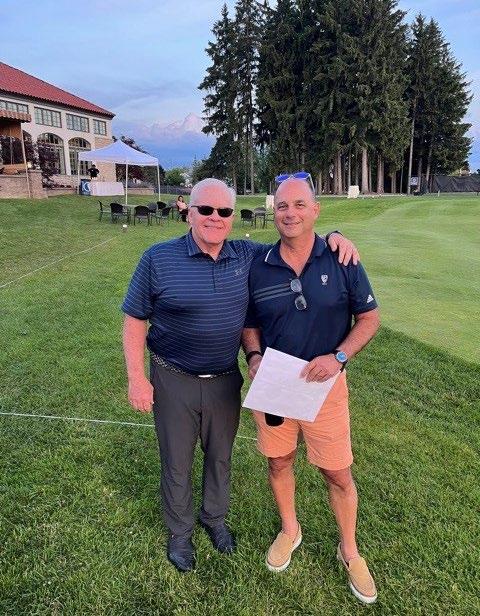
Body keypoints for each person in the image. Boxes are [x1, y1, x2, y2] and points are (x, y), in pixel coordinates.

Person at [121, 178, 359, 573]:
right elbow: (134, 319)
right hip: (173, 376)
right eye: (205, 209)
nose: (215, 218)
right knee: (177, 461)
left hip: (224, 378)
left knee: (220, 456)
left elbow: (296, 242)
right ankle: (180, 533)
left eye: (224, 211)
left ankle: (214, 519)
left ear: (233, 217)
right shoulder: (158, 259)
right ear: (189, 213)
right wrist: (136, 377)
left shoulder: (248, 255)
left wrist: (334, 237)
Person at [242, 176, 380, 604]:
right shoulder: (259, 263)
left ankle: (349, 550)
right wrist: (254, 356)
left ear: (316, 210)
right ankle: (290, 529)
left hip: (326, 387)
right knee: (279, 461)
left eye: (300, 204)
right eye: (283, 206)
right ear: (274, 212)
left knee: (337, 473)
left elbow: (370, 319)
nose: (290, 213)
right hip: (275, 385)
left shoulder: (342, 258)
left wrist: (338, 357)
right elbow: (250, 323)